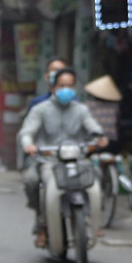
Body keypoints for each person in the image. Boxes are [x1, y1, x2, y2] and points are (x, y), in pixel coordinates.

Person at [20, 67, 107, 248]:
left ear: (74, 88)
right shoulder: (40, 109)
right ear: (53, 87)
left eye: (69, 85)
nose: (65, 89)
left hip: (77, 160)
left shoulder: (81, 110)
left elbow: (92, 126)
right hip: (49, 161)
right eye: (61, 85)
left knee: (97, 175)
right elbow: (27, 131)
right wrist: (28, 144)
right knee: (32, 181)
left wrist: (99, 136)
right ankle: (42, 224)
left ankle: (94, 217)